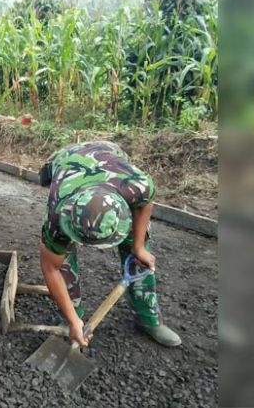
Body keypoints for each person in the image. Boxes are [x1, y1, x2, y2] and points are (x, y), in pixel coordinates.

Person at [40, 140, 182, 348]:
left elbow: (145, 205)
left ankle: (148, 318)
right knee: (63, 260)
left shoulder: (137, 185)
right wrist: (73, 320)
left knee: (139, 252)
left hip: (108, 154)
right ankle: (72, 319)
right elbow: (51, 267)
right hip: (67, 161)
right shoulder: (58, 209)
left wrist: (139, 247)